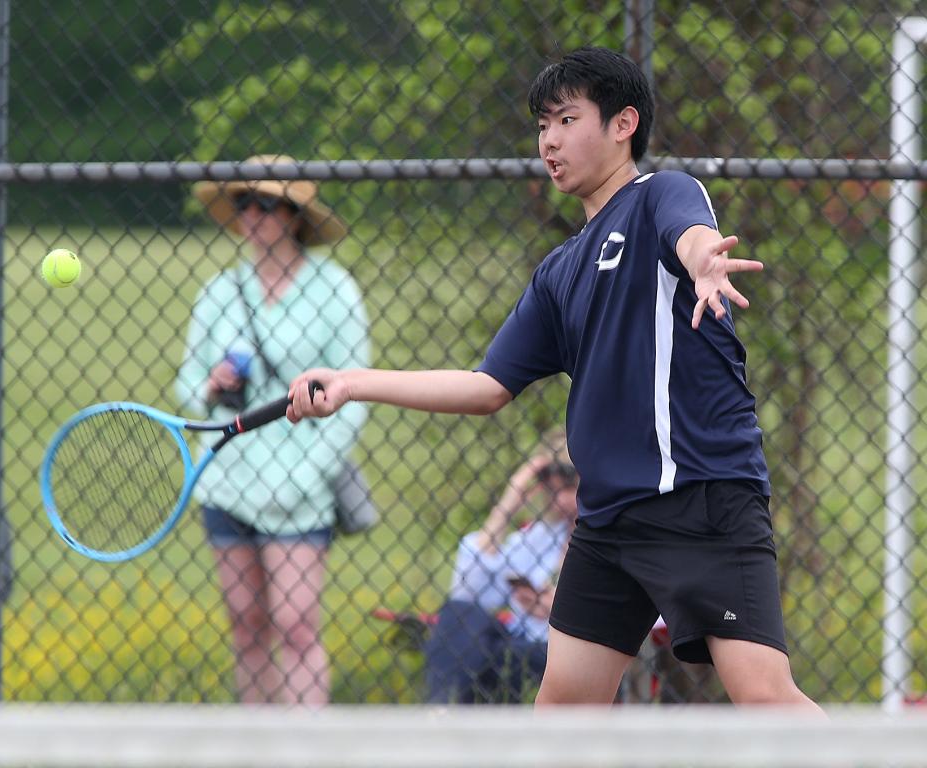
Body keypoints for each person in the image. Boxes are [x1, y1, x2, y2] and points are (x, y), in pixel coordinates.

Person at [285, 48, 822, 711]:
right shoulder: (558, 272)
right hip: (608, 523)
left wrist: (703, 261)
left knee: (766, 698)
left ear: (624, 124)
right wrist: (354, 382)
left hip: (700, 499)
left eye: (567, 119)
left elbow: (690, 235)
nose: (550, 141)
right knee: (561, 716)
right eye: (543, 125)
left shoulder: (661, 194)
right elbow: (486, 387)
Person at [175, 155, 371, 705]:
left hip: (299, 485)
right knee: (245, 624)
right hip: (228, 476)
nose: (253, 215)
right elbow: (187, 383)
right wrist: (209, 387)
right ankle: (256, 748)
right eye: (243, 204)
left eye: (265, 204)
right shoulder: (220, 290)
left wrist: (309, 474)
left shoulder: (334, 290)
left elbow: (352, 395)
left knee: (297, 624)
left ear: (293, 215)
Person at [425, 433, 578, 703]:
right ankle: (440, 711)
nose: (560, 502)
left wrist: (563, 609)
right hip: (517, 647)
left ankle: (445, 714)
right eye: (552, 491)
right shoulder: (540, 536)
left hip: (567, 653)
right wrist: (507, 505)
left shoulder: (617, 536)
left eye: (569, 489)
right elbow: (468, 592)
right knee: (459, 615)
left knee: (513, 655)